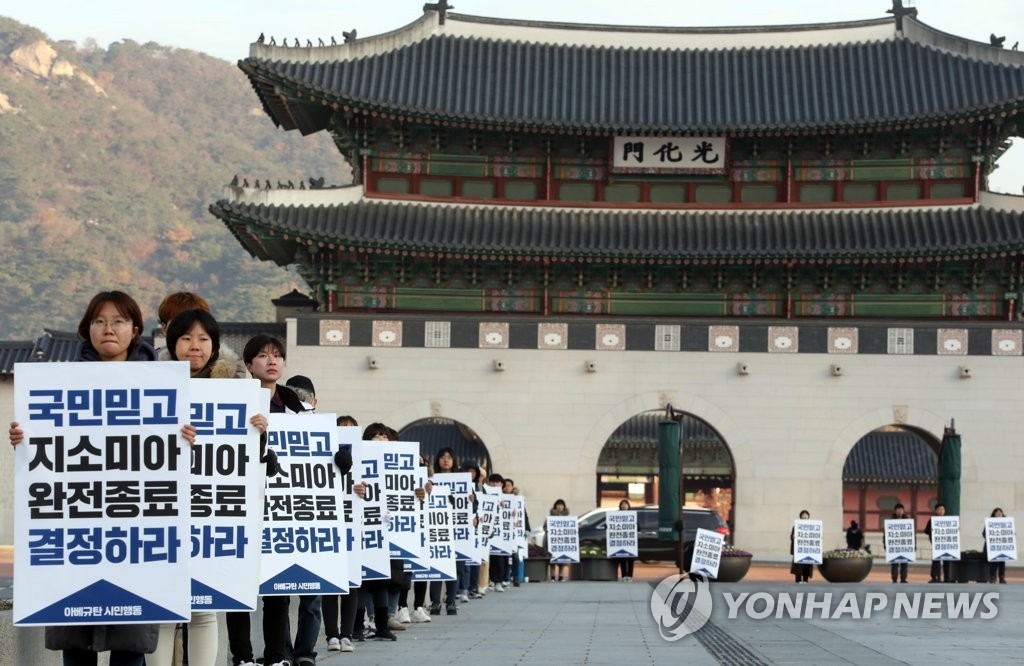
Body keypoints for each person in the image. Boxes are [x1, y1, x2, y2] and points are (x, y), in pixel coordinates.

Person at [8, 291, 198, 666]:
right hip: (78, 544)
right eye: (99, 321)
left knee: (129, 653)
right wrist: (25, 440)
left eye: (118, 321)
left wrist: (187, 441)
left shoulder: (164, 386)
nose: (108, 329)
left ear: (135, 330)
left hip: (135, 542)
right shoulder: (59, 383)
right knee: (76, 650)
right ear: (87, 330)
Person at [149, 309, 269, 666]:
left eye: (203, 339)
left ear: (214, 346)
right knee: (163, 607)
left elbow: (251, 463)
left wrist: (259, 433)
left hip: (211, 511)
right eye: (186, 338)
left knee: (205, 609)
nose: (194, 346)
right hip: (162, 508)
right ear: (172, 343)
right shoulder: (151, 384)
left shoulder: (235, 390)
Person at [325, 415, 361, 653]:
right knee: (330, 582)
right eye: (341, 427)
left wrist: (363, 491)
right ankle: (331, 635)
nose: (345, 431)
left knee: (351, 582)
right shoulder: (323, 453)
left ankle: (346, 633)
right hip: (329, 521)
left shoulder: (362, 456)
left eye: (349, 428)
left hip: (353, 524)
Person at [429, 447, 462, 615]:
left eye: (449, 457)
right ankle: (435, 602)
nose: (446, 460)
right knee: (436, 565)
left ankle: (451, 601)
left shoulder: (462, 481)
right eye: (442, 457)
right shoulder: (431, 480)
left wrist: (472, 500)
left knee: (452, 568)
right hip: (437, 526)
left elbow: (472, 507)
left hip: (455, 529)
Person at [923, 504, 951, 583]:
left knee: (947, 561)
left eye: (943, 509)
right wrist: (931, 530)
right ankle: (935, 577)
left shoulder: (948, 521)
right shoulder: (932, 520)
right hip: (936, 544)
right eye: (939, 509)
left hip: (946, 544)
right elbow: (926, 531)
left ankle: (947, 578)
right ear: (936, 511)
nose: (941, 511)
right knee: (936, 561)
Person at [547, 499, 571, 582]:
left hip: (562, 540)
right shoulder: (550, 517)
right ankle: (553, 576)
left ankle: (561, 575)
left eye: (561, 505)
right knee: (552, 559)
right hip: (552, 540)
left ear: (564, 507)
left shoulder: (567, 518)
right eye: (558, 505)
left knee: (562, 559)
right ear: (555, 506)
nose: (560, 507)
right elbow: (544, 526)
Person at [984, 507, 1008, 584]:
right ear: (994, 514)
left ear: (1002, 514)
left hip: (1002, 547)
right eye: (996, 512)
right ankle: (992, 577)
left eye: (1000, 512)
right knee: (993, 563)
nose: (998, 513)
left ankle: (1002, 577)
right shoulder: (989, 522)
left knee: (1002, 563)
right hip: (993, 547)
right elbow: (984, 533)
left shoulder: (1007, 523)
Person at [888, 503, 911, 583]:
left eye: (901, 509)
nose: (900, 511)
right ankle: (894, 579)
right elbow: (886, 534)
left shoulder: (908, 520)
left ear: (903, 510)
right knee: (894, 563)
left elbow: (911, 534)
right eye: (898, 510)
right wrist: (886, 544)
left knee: (904, 563)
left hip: (905, 545)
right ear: (895, 511)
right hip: (894, 546)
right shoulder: (890, 520)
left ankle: (903, 579)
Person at [789, 510, 812, 584]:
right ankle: (798, 579)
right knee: (798, 565)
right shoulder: (796, 526)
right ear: (801, 516)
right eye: (803, 515)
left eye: (806, 515)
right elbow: (791, 536)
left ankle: (805, 579)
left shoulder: (812, 526)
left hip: (808, 549)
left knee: (807, 564)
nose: (805, 516)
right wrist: (793, 537)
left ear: (808, 516)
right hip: (799, 549)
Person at [617, 499, 636, 581]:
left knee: (630, 559)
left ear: (628, 506)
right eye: (622, 504)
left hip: (630, 541)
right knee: (622, 559)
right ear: (620, 506)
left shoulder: (633, 516)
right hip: (621, 541)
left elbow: (638, 527)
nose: (624, 506)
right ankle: (624, 576)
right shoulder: (616, 516)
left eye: (625, 504)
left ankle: (630, 576)